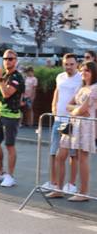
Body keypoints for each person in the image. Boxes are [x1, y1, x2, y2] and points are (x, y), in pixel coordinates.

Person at [47, 61, 97, 201]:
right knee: (60, 155)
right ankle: (58, 189)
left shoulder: (94, 88)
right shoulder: (81, 87)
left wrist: (75, 110)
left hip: (85, 126)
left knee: (82, 158)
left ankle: (83, 192)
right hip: (70, 123)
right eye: (82, 70)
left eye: (87, 70)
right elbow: (70, 105)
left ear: (93, 72)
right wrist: (75, 110)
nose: (83, 73)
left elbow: (81, 109)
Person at [41, 53, 82, 193]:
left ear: (77, 64)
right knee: (53, 152)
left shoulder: (80, 78)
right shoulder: (60, 77)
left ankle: (70, 184)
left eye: (71, 64)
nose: (68, 67)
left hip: (70, 121)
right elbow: (57, 92)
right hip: (58, 119)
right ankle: (53, 182)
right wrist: (53, 107)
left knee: (71, 154)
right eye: (66, 64)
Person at [0, 49, 25, 187]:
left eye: (11, 59)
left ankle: (10, 176)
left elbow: (7, 93)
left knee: (9, 145)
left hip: (12, 116)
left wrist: (0, 78)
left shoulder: (17, 77)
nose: (7, 61)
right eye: (5, 59)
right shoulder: (2, 76)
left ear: (16, 61)